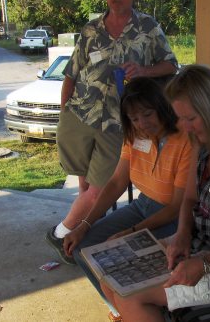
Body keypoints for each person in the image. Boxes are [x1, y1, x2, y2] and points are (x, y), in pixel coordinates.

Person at [100, 65, 210, 321]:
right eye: (180, 118)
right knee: (110, 270)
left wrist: (205, 263)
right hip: (200, 244)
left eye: (189, 119)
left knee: (130, 297)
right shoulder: (201, 143)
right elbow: (188, 199)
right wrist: (182, 235)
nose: (182, 126)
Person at [47, 0, 178, 264]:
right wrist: (64, 109)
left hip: (119, 123)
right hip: (80, 115)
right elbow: (72, 72)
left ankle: (63, 234)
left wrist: (144, 71)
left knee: (98, 189)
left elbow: (171, 65)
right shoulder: (91, 29)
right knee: (84, 184)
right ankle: (85, 233)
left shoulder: (147, 26)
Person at [63, 77, 191, 321]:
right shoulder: (134, 134)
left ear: (162, 108)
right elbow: (116, 182)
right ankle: (118, 309)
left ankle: (145, 308)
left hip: (170, 215)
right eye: (134, 118)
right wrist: (84, 225)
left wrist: (132, 231)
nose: (142, 124)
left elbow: (176, 206)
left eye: (147, 114)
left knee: (124, 253)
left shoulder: (184, 139)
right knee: (83, 248)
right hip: (142, 206)